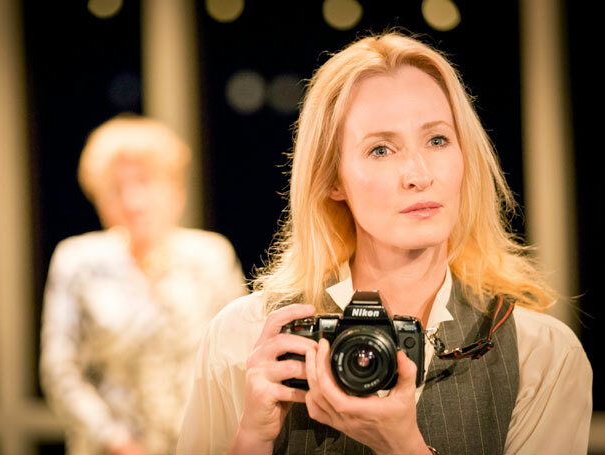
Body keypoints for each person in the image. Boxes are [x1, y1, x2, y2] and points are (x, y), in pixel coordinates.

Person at [176, 32, 592, 454]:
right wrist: (250, 440)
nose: (418, 174)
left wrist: (403, 445)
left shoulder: (540, 356)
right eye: (380, 149)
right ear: (333, 178)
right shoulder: (246, 338)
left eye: (437, 140)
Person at [40, 115, 246, 455]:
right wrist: (117, 442)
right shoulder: (78, 261)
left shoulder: (211, 256)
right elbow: (59, 371)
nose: (132, 201)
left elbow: (239, 358)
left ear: (176, 190)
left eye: (145, 183)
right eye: (115, 188)